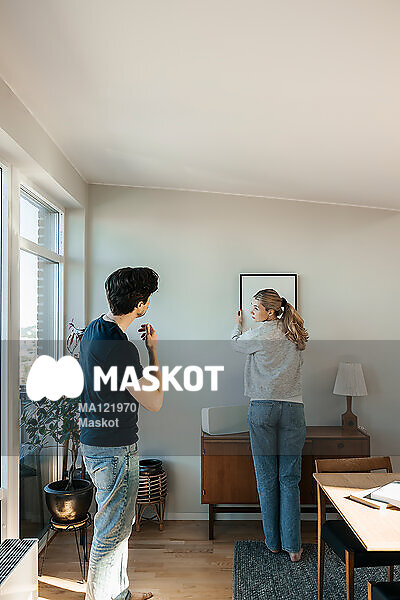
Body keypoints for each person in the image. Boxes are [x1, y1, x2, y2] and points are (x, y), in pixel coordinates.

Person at [79, 266, 163, 600]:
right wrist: (153, 350)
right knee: (111, 535)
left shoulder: (93, 329)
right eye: (148, 298)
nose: (148, 304)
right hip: (115, 451)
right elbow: (155, 401)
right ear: (140, 305)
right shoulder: (121, 348)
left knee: (117, 529)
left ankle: (121, 594)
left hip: (93, 444)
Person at [231, 289, 308, 562]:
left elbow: (235, 343)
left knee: (266, 477)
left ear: (271, 311)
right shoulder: (295, 334)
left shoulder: (259, 334)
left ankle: (273, 543)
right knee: (290, 478)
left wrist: (238, 325)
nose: (252, 311)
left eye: (256, 307)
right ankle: (294, 548)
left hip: (263, 408)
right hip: (293, 409)